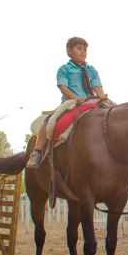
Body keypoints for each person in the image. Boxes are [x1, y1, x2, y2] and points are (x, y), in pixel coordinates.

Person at [27, 37, 109, 168]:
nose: (83, 52)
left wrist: (102, 96)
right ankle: (37, 151)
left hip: (91, 101)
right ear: (69, 51)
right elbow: (63, 87)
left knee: (114, 111)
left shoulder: (92, 70)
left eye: (85, 49)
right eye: (79, 48)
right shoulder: (64, 69)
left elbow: (97, 87)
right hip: (71, 102)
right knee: (49, 120)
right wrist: (75, 98)